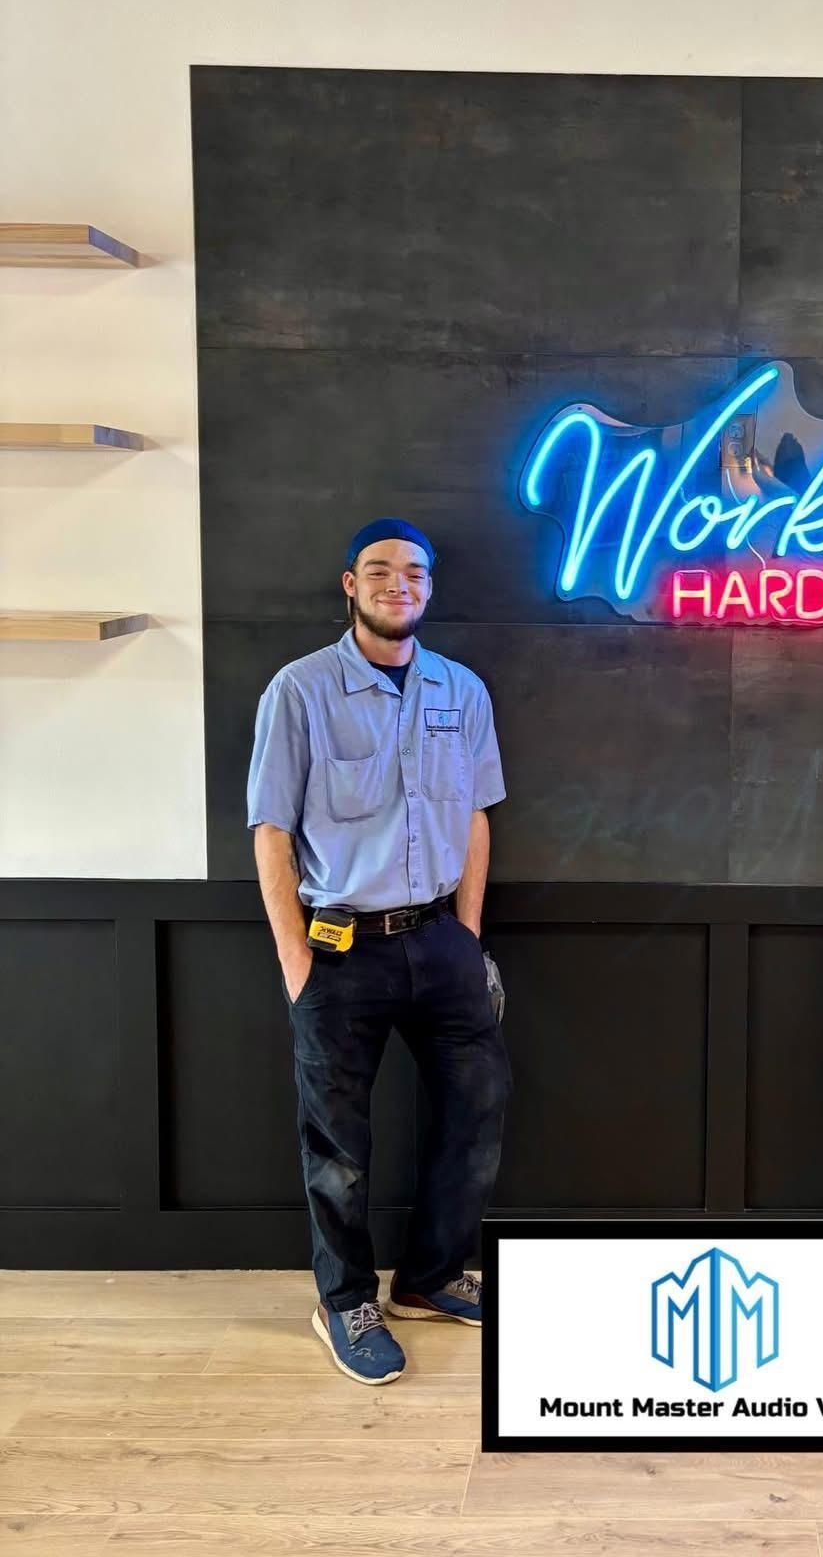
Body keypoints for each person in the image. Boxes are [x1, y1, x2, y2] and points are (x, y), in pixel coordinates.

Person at [247, 517, 511, 1386]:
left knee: (473, 1116)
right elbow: (272, 832)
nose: (400, 584)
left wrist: (468, 938)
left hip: (441, 941)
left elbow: (475, 817)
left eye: (415, 573)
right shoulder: (300, 691)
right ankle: (344, 1299)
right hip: (339, 948)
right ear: (350, 585)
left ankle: (431, 1278)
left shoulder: (462, 691)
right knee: (339, 1145)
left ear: (430, 590)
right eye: (381, 570)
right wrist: (296, 962)